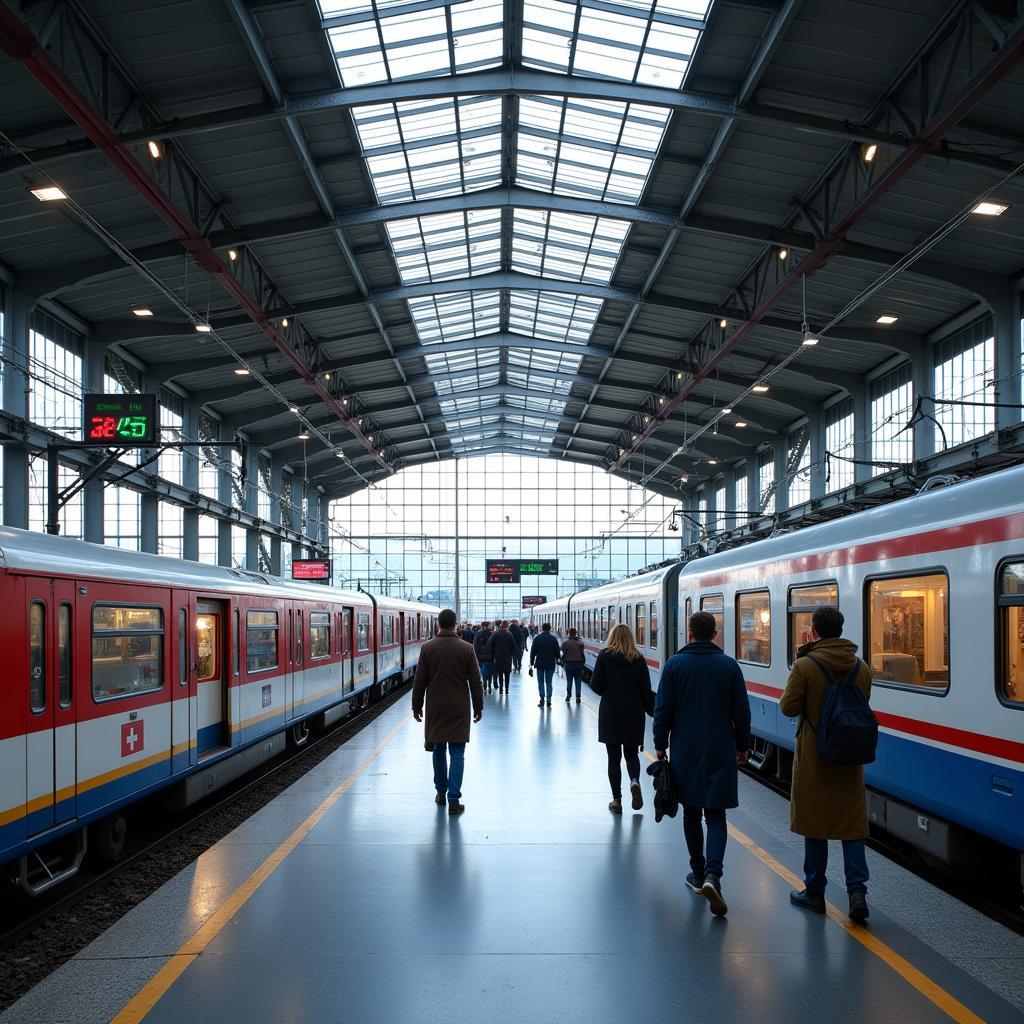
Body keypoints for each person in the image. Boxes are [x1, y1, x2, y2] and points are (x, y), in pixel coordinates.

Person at [654, 611, 751, 918]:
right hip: (720, 746)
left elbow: (663, 708)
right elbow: (742, 711)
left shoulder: (675, 665)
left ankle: (697, 873)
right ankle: (713, 876)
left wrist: (659, 743)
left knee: (691, 811)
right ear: (715, 634)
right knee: (717, 814)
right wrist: (743, 745)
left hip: (685, 747)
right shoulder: (729, 665)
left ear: (690, 633)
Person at [780, 605, 873, 923]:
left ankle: (815, 892)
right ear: (841, 629)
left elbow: (788, 708)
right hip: (850, 757)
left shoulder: (805, 665)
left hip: (815, 757)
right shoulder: (861, 667)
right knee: (852, 827)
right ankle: (857, 893)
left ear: (814, 631)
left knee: (814, 824)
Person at [412, 608, 484, 816]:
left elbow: (420, 681)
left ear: (438, 624)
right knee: (458, 752)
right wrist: (478, 707)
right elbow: (476, 682)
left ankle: (440, 793)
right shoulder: (467, 648)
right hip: (459, 707)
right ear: (456, 625)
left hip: (435, 707)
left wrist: (416, 706)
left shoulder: (427, 648)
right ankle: (454, 800)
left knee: (438, 749)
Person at [590, 624, 654, 814]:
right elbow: (646, 691)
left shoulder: (604, 656)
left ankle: (617, 800)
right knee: (632, 755)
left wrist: (608, 693)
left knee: (613, 758)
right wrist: (653, 713)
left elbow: (595, 685)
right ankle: (634, 781)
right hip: (634, 713)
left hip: (611, 712)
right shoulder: (638, 658)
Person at [529, 621, 561, 707]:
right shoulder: (553, 639)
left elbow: (533, 652)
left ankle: (542, 699)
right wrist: (557, 659)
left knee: (540, 682)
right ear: (550, 629)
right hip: (550, 664)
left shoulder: (537, 639)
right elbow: (557, 652)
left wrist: (531, 662)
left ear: (542, 629)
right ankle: (549, 699)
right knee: (549, 682)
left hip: (540, 663)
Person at [560, 627, 586, 704]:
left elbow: (561, 652)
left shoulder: (566, 643)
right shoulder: (580, 643)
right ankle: (578, 697)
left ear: (569, 634)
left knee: (569, 681)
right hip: (579, 664)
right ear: (576, 633)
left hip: (569, 664)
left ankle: (568, 696)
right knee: (578, 681)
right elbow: (582, 653)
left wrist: (562, 660)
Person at [490, 620, 516, 694]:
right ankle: (507, 689)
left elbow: (491, 645)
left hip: (498, 657)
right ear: (507, 625)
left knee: (500, 674)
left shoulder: (495, 634)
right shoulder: (510, 635)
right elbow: (513, 647)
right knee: (507, 674)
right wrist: (511, 654)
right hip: (507, 658)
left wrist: (493, 655)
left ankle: (501, 689)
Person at [473, 621, 495, 692]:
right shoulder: (492, 634)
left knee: (483, 671)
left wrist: (476, 655)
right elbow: (494, 646)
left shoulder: (478, 634)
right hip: (490, 656)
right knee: (490, 671)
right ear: (487, 626)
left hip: (480, 656)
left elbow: (475, 645)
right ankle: (489, 686)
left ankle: (484, 686)